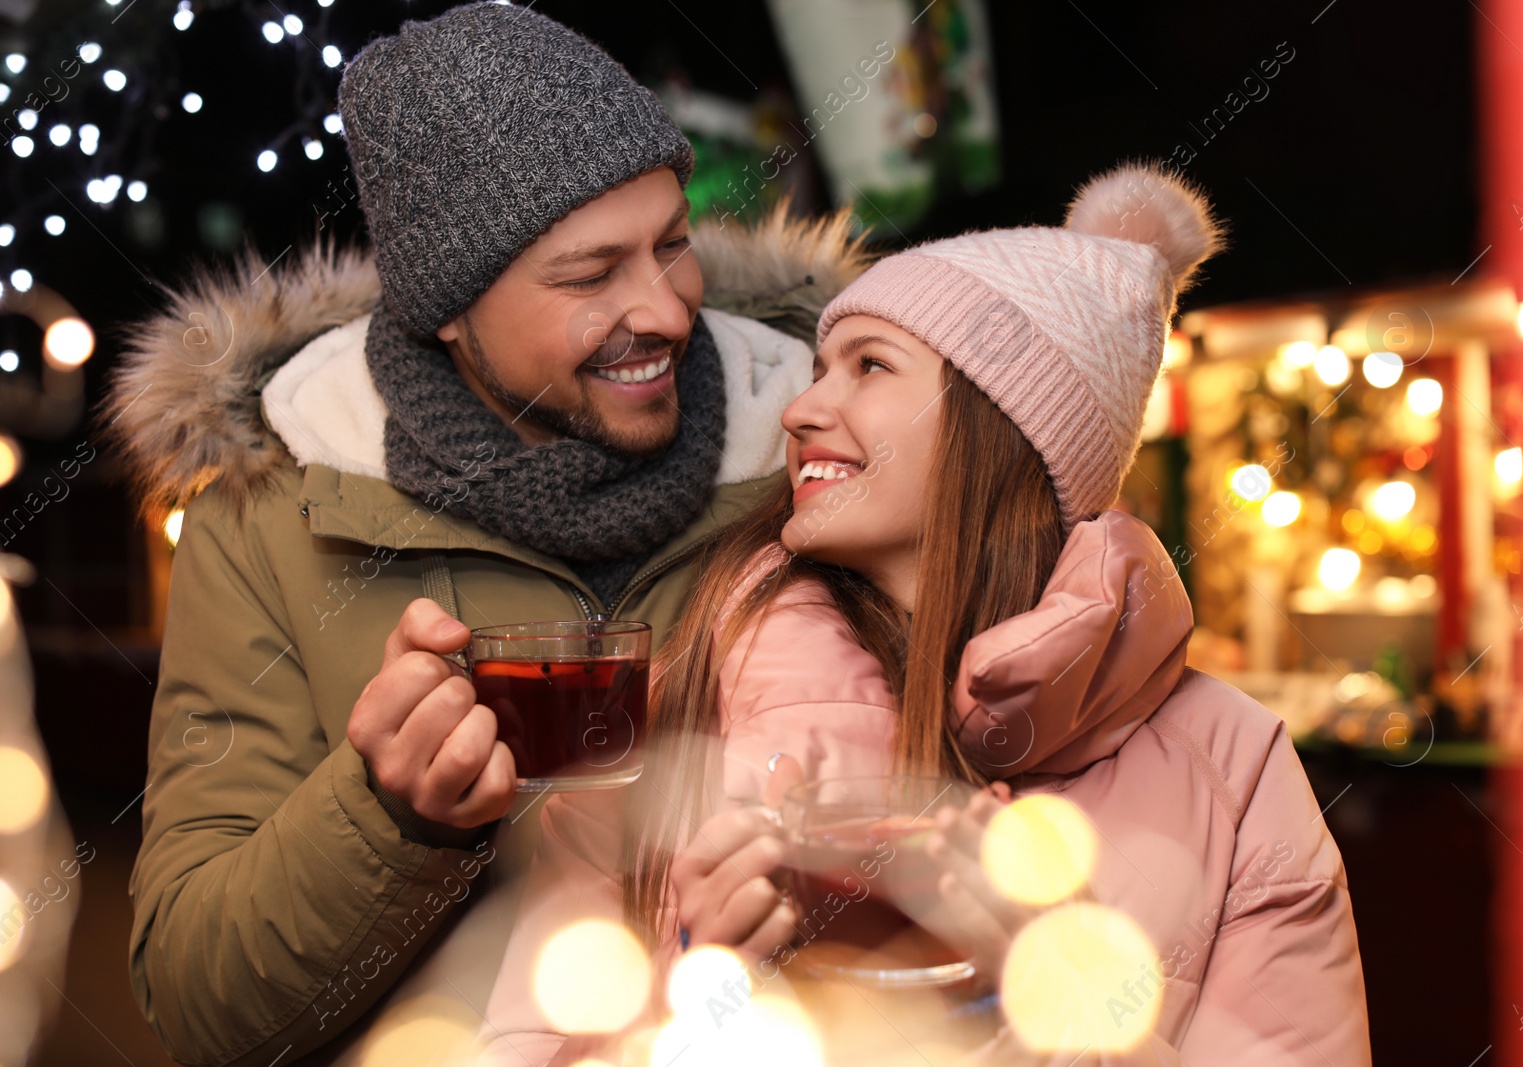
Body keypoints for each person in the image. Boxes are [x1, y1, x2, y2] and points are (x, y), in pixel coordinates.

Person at [102, 6, 869, 1064]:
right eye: (590, 275)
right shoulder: (272, 510)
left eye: (672, 244)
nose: (668, 309)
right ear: (448, 311)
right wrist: (391, 817)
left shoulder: (826, 444)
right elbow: (200, 1003)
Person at [477, 164, 1371, 1065]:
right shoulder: (678, 704)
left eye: (869, 364)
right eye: (821, 367)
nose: (801, 408)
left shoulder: (1235, 770)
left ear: (1003, 430)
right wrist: (699, 999)